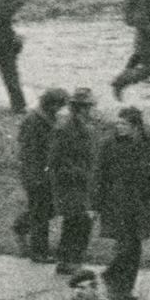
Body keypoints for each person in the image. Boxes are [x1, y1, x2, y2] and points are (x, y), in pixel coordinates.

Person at [88, 106, 150, 300]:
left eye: (124, 124)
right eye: (118, 123)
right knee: (125, 246)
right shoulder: (108, 145)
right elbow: (98, 176)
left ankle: (124, 286)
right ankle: (116, 284)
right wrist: (94, 205)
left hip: (140, 203)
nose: (119, 127)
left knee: (134, 246)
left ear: (136, 126)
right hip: (116, 203)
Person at [49, 89, 101, 271]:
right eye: (88, 107)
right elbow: (57, 159)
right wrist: (79, 173)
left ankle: (68, 261)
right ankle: (70, 261)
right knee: (79, 222)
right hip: (71, 184)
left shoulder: (85, 128)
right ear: (79, 108)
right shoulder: (66, 129)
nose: (91, 110)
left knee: (77, 222)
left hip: (83, 184)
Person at [12, 87, 65, 260]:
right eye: (58, 105)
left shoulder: (47, 118)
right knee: (41, 211)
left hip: (44, 172)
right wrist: (36, 176)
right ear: (50, 103)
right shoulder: (34, 120)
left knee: (48, 209)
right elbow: (28, 151)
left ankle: (21, 226)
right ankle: (39, 251)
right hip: (35, 173)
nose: (60, 109)